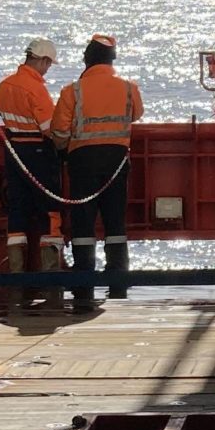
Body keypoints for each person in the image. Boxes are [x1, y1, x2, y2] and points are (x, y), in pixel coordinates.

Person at [52, 33, 144, 302]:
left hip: (82, 161)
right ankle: (117, 276)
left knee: (83, 220)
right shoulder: (128, 87)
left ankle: (84, 277)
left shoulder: (73, 91)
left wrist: (62, 148)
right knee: (115, 219)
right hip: (116, 161)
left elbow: (59, 130)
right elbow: (137, 114)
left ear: (87, 59)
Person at [0, 37, 64, 293]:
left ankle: (16, 273)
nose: (48, 69)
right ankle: (50, 275)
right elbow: (50, 128)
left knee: (18, 210)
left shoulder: (5, 85)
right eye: (48, 64)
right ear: (42, 60)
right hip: (38, 152)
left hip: (14, 152)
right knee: (49, 211)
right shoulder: (35, 89)